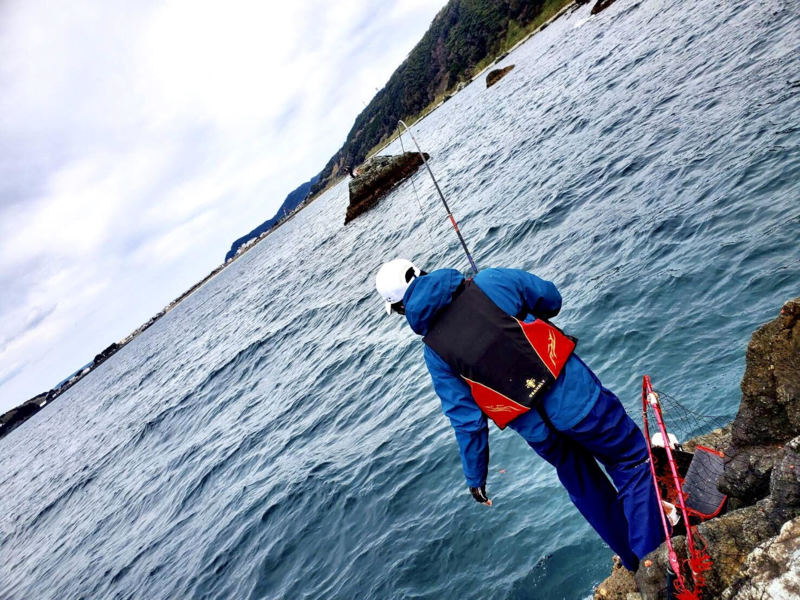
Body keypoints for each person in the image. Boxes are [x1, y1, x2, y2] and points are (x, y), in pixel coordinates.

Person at [374, 258, 664, 570]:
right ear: (423, 272)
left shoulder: (434, 352)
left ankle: (637, 563)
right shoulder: (488, 281)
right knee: (632, 461)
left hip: (541, 433)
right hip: (579, 402)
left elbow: (466, 420)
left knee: (586, 489)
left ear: (402, 309)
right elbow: (551, 298)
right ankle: (656, 562)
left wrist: (475, 477)